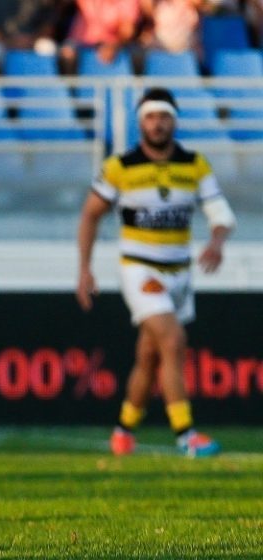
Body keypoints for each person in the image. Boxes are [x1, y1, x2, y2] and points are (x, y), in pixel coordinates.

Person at [76, 88, 236, 458]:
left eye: (164, 116)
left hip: (180, 273)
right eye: (151, 116)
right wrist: (84, 269)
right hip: (140, 269)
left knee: (149, 355)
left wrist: (216, 240)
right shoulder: (120, 167)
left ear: (174, 121)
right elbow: (90, 214)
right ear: (140, 122)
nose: (158, 123)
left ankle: (123, 430)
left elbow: (220, 214)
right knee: (174, 340)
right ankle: (186, 434)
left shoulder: (194, 164)